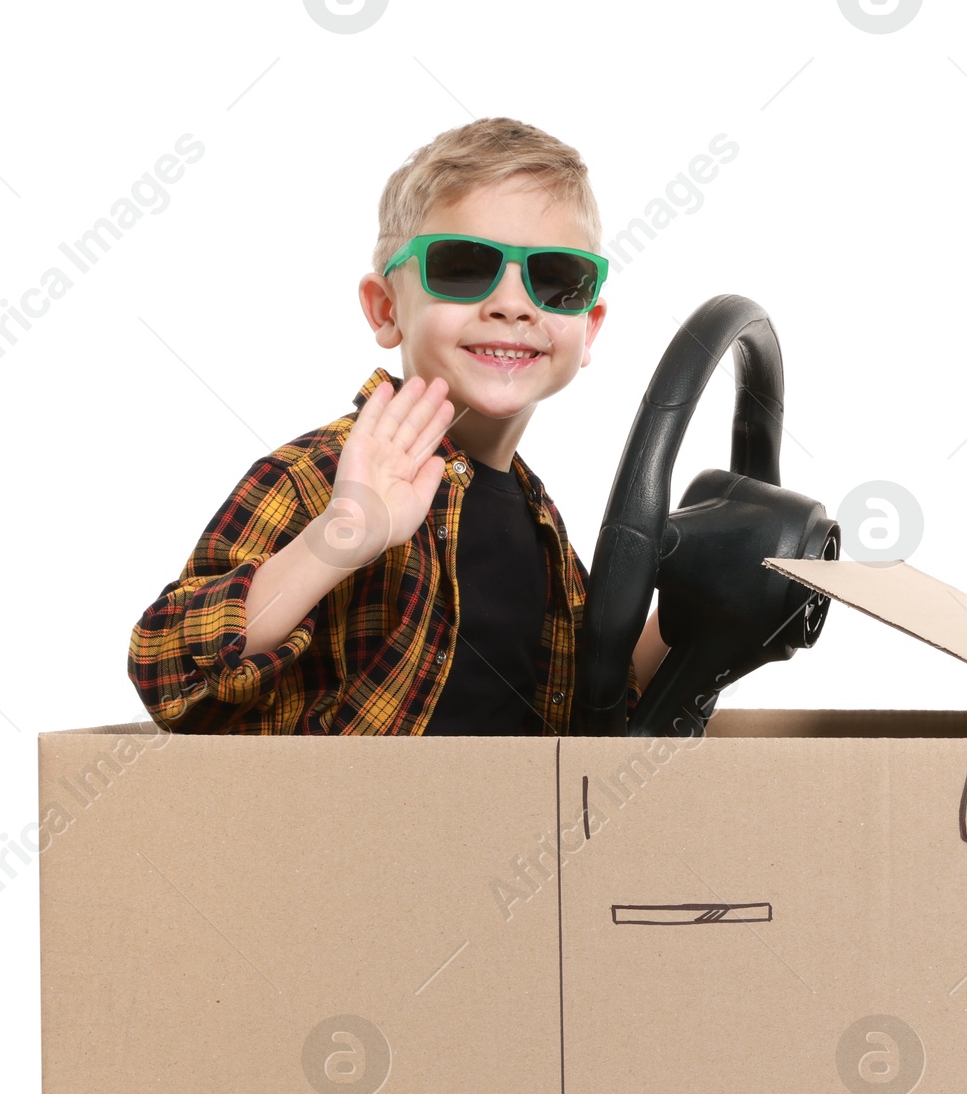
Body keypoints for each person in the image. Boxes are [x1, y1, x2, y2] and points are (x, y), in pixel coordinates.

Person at [126, 116, 665, 735]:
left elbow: (594, 709)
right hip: (337, 830)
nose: (513, 304)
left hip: (502, 832)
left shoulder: (541, 523)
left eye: (555, 280)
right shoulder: (321, 477)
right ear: (387, 310)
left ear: (588, 325)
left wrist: (692, 617)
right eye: (463, 267)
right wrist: (338, 539)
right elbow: (165, 669)